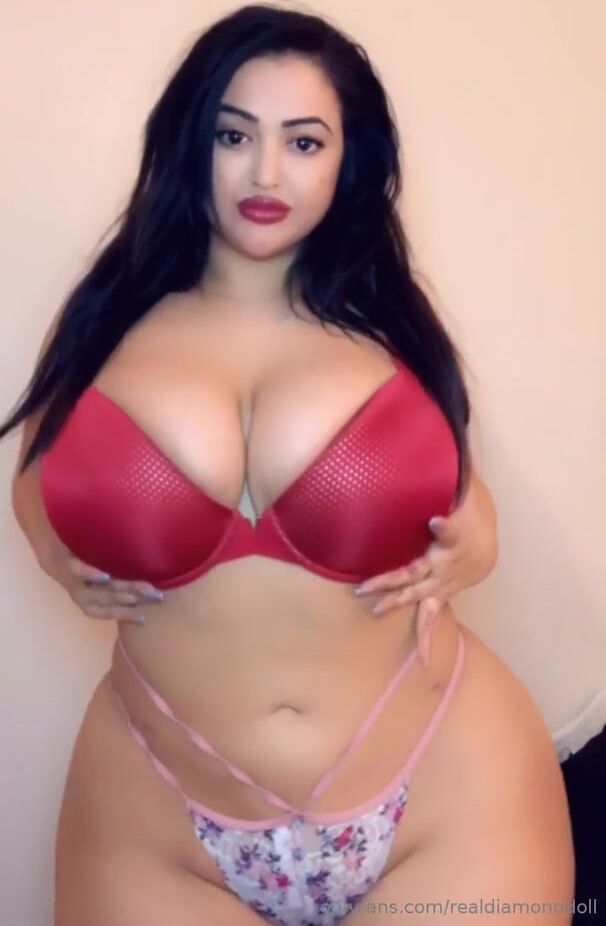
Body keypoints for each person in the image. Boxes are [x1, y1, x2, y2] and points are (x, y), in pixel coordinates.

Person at [2, 5, 574, 925]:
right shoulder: (106, 322)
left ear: (349, 161)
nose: (266, 173)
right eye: (235, 136)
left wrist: (482, 539)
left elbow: (458, 491)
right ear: (191, 142)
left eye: (304, 142)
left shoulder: (392, 325)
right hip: (160, 818)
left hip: (442, 784)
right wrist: (48, 548)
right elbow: (37, 474)